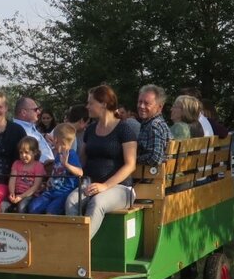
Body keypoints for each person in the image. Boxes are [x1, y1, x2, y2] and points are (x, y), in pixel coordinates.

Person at [64, 85, 139, 238]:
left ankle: (79, 246)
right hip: (91, 183)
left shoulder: (124, 130)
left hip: (121, 188)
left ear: (104, 104)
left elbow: (130, 165)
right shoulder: (90, 130)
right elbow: (82, 160)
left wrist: (105, 186)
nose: (87, 107)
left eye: (90, 103)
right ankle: (77, 242)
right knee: (71, 200)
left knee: (97, 202)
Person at [28, 123, 82, 214]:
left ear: (56, 140)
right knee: (33, 208)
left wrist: (66, 165)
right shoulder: (58, 155)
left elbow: (80, 172)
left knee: (51, 210)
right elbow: (56, 170)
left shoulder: (71, 155)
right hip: (52, 191)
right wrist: (50, 178)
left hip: (64, 192)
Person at [2, 136, 47, 212]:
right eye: (21, 152)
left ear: (35, 152)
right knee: (3, 205)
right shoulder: (16, 164)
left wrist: (21, 196)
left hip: (30, 195)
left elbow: (36, 186)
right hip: (16, 193)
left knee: (21, 207)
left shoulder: (38, 166)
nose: (23, 155)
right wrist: (12, 193)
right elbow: (12, 179)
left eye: (26, 152)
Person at [135, 84, 171, 168]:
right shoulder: (159, 123)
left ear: (159, 107)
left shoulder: (154, 126)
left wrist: (132, 160)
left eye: (147, 103)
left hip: (149, 174)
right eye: (140, 102)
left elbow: (155, 158)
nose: (141, 106)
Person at [12, 96, 55, 161]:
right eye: (35, 110)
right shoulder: (16, 131)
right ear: (24, 112)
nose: (39, 112)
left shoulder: (28, 126)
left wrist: (44, 135)